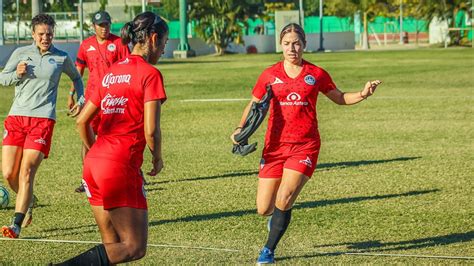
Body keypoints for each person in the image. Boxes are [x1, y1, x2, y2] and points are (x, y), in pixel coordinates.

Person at [230, 23, 382, 264]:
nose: (292, 48)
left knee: (285, 198)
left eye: (297, 43)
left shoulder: (316, 74)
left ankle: (268, 251)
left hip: (305, 146)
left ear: (304, 45)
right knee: (263, 207)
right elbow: (254, 104)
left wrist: (363, 94)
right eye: (288, 43)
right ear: (281, 45)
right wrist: (240, 129)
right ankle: (277, 218)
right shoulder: (269, 75)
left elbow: (340, 98)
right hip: (275, 147)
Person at [60, 12, 168, 265]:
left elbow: (82, 121)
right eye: (163, 43)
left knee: (112, 246)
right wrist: (157, 158)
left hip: (94, 164)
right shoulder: (150, 74)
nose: (163, 49)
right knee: (133, 246)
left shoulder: (110, 73)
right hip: (119, 166)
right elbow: (151, 130)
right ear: (153, 38)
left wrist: (97, 151)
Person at [0, 14, 84, 238]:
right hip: (17, 118)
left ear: (53, 33)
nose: (45, 37)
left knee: (27, 172)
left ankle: (16, 224)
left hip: (43, 120)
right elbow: (3, 78)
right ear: (33, 34)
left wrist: (81, 99)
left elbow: (77, 78)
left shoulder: (61, 57)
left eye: (49, 33)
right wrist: (17, 75)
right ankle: (28, 200)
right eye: (41, 34)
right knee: (9, 173)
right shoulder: (20, 53)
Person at [71, 10, 130, 193]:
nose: (104, 28)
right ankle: (86, 180)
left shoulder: (119, 43)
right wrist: (72, 93)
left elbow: (128, 68)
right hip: (92, 99)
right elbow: (78, 71)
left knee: (118, 139)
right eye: (100, 25)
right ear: (94, 27)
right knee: (86, 136)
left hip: (114, 99)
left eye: (107, 25)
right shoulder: (86, 45)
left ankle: (129, 174)